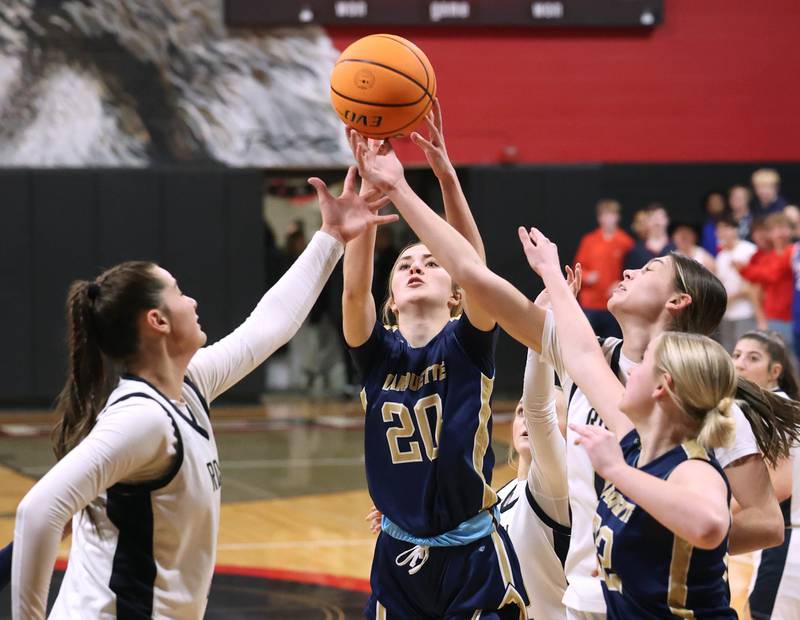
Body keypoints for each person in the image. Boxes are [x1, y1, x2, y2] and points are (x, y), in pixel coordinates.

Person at [348, 134, 795, 620]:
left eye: (648, 269)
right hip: (583, 599)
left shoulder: (713, 405)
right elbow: (477, 280)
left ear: (677, 301)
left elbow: (762, 524)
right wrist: (414, 185)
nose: (627, 272)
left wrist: (659, 530)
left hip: (666, 603)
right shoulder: (596, 362)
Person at [11, 169, 395, 619]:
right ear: (157, 321)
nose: (192, 302)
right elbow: (37, 512)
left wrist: (331, 237)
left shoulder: (187, 384)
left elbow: (269, 326)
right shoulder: (143, 419)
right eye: (178, 293)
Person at [340, 104, 527, 619]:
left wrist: (446, 178)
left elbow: (474, 267)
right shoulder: (377, 354)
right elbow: (355, 290)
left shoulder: (467, 343)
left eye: (429, 263)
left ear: (455, 297)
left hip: (473, 553)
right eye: (404, 265)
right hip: (398, 555)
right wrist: (367, 203)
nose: (417, 267)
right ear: (393, 300)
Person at [522, 227, 738, 617]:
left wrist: (654, 538)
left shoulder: (700, 422)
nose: (628, 273)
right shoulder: (608, 378)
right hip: (596, 594)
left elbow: (719, 523)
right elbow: (583, 355)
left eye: (649, 268)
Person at [732, 331, 799, 619]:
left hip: (786, 546)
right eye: (736, 355)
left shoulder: (780, 412)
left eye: (753, 357)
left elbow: (779, 487)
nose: (740, 363)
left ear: (775, 371)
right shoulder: (760, 408)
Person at [574, 199, 633, 338]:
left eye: (611, 214)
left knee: (613, 343)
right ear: (599, 218)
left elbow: (632, 269)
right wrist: (587, 276)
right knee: (586, 340)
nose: (608, 219)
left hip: (614, 305)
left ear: (617, 217)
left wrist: (620, 282)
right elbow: (578, 268)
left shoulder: (625, 242)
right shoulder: (589, 240)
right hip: (590, 304)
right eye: (604, 215)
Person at [738, 211, 795, 349]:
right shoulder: (768, 256)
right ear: (769, 234)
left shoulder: (793, 251)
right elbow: (759, 281)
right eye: (775, 229)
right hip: (772, 315)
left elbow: (771, 275)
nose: (780, 233)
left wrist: (744, 269)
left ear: (791, 230)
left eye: (783, 228)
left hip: (792, 315)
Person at [715, 215, 758, 352]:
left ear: (736, 230)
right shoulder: (721, 256)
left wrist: (733, 296)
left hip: (746, 311)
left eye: (727, 227)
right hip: (726, 313)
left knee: (745, 351)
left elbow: (755, 282)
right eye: (720, 229)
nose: (723, 232)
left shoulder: (749, 250)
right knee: (728, 352)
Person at [623, 203, 676, 270]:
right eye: (653, 218)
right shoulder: (636, 251)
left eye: (660, 217)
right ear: (646, 222)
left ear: (667, 220)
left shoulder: (677, 248)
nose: (657, 221)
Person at [700, 190, 727, 256]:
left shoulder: (732, 223)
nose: (716, 204)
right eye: (712, 202)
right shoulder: (706, 227)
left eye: (718, 201)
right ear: (708, 206)